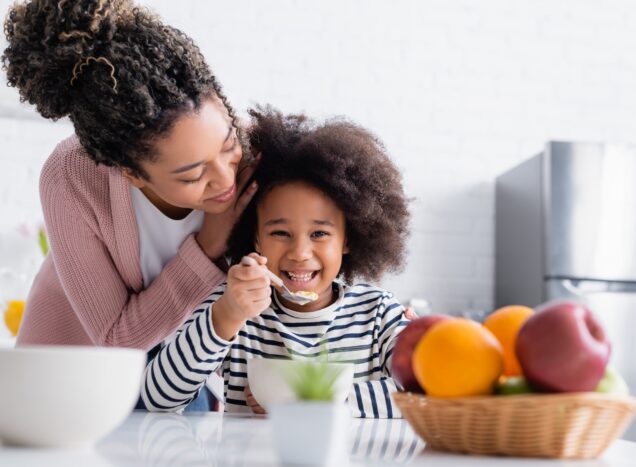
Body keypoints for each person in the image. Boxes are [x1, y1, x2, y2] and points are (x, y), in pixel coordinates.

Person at [2, 0, 257, 409]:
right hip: (73, 386)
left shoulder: (255, 148)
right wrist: (208, 248)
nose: (226, 180)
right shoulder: (72, 176)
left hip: (186, 380)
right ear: (131, 174)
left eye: (228, 147)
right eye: (192, 176)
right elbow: (116, 339)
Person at [141, 107, 412, 418]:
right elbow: (158, 398)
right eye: (280, 232)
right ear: (255, 237)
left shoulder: (378, 314)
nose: (299, 252)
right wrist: (227, 315)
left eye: (319, 233)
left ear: (348, 239)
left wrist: (316, 401)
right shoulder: (235, 308)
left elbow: (427, 393)